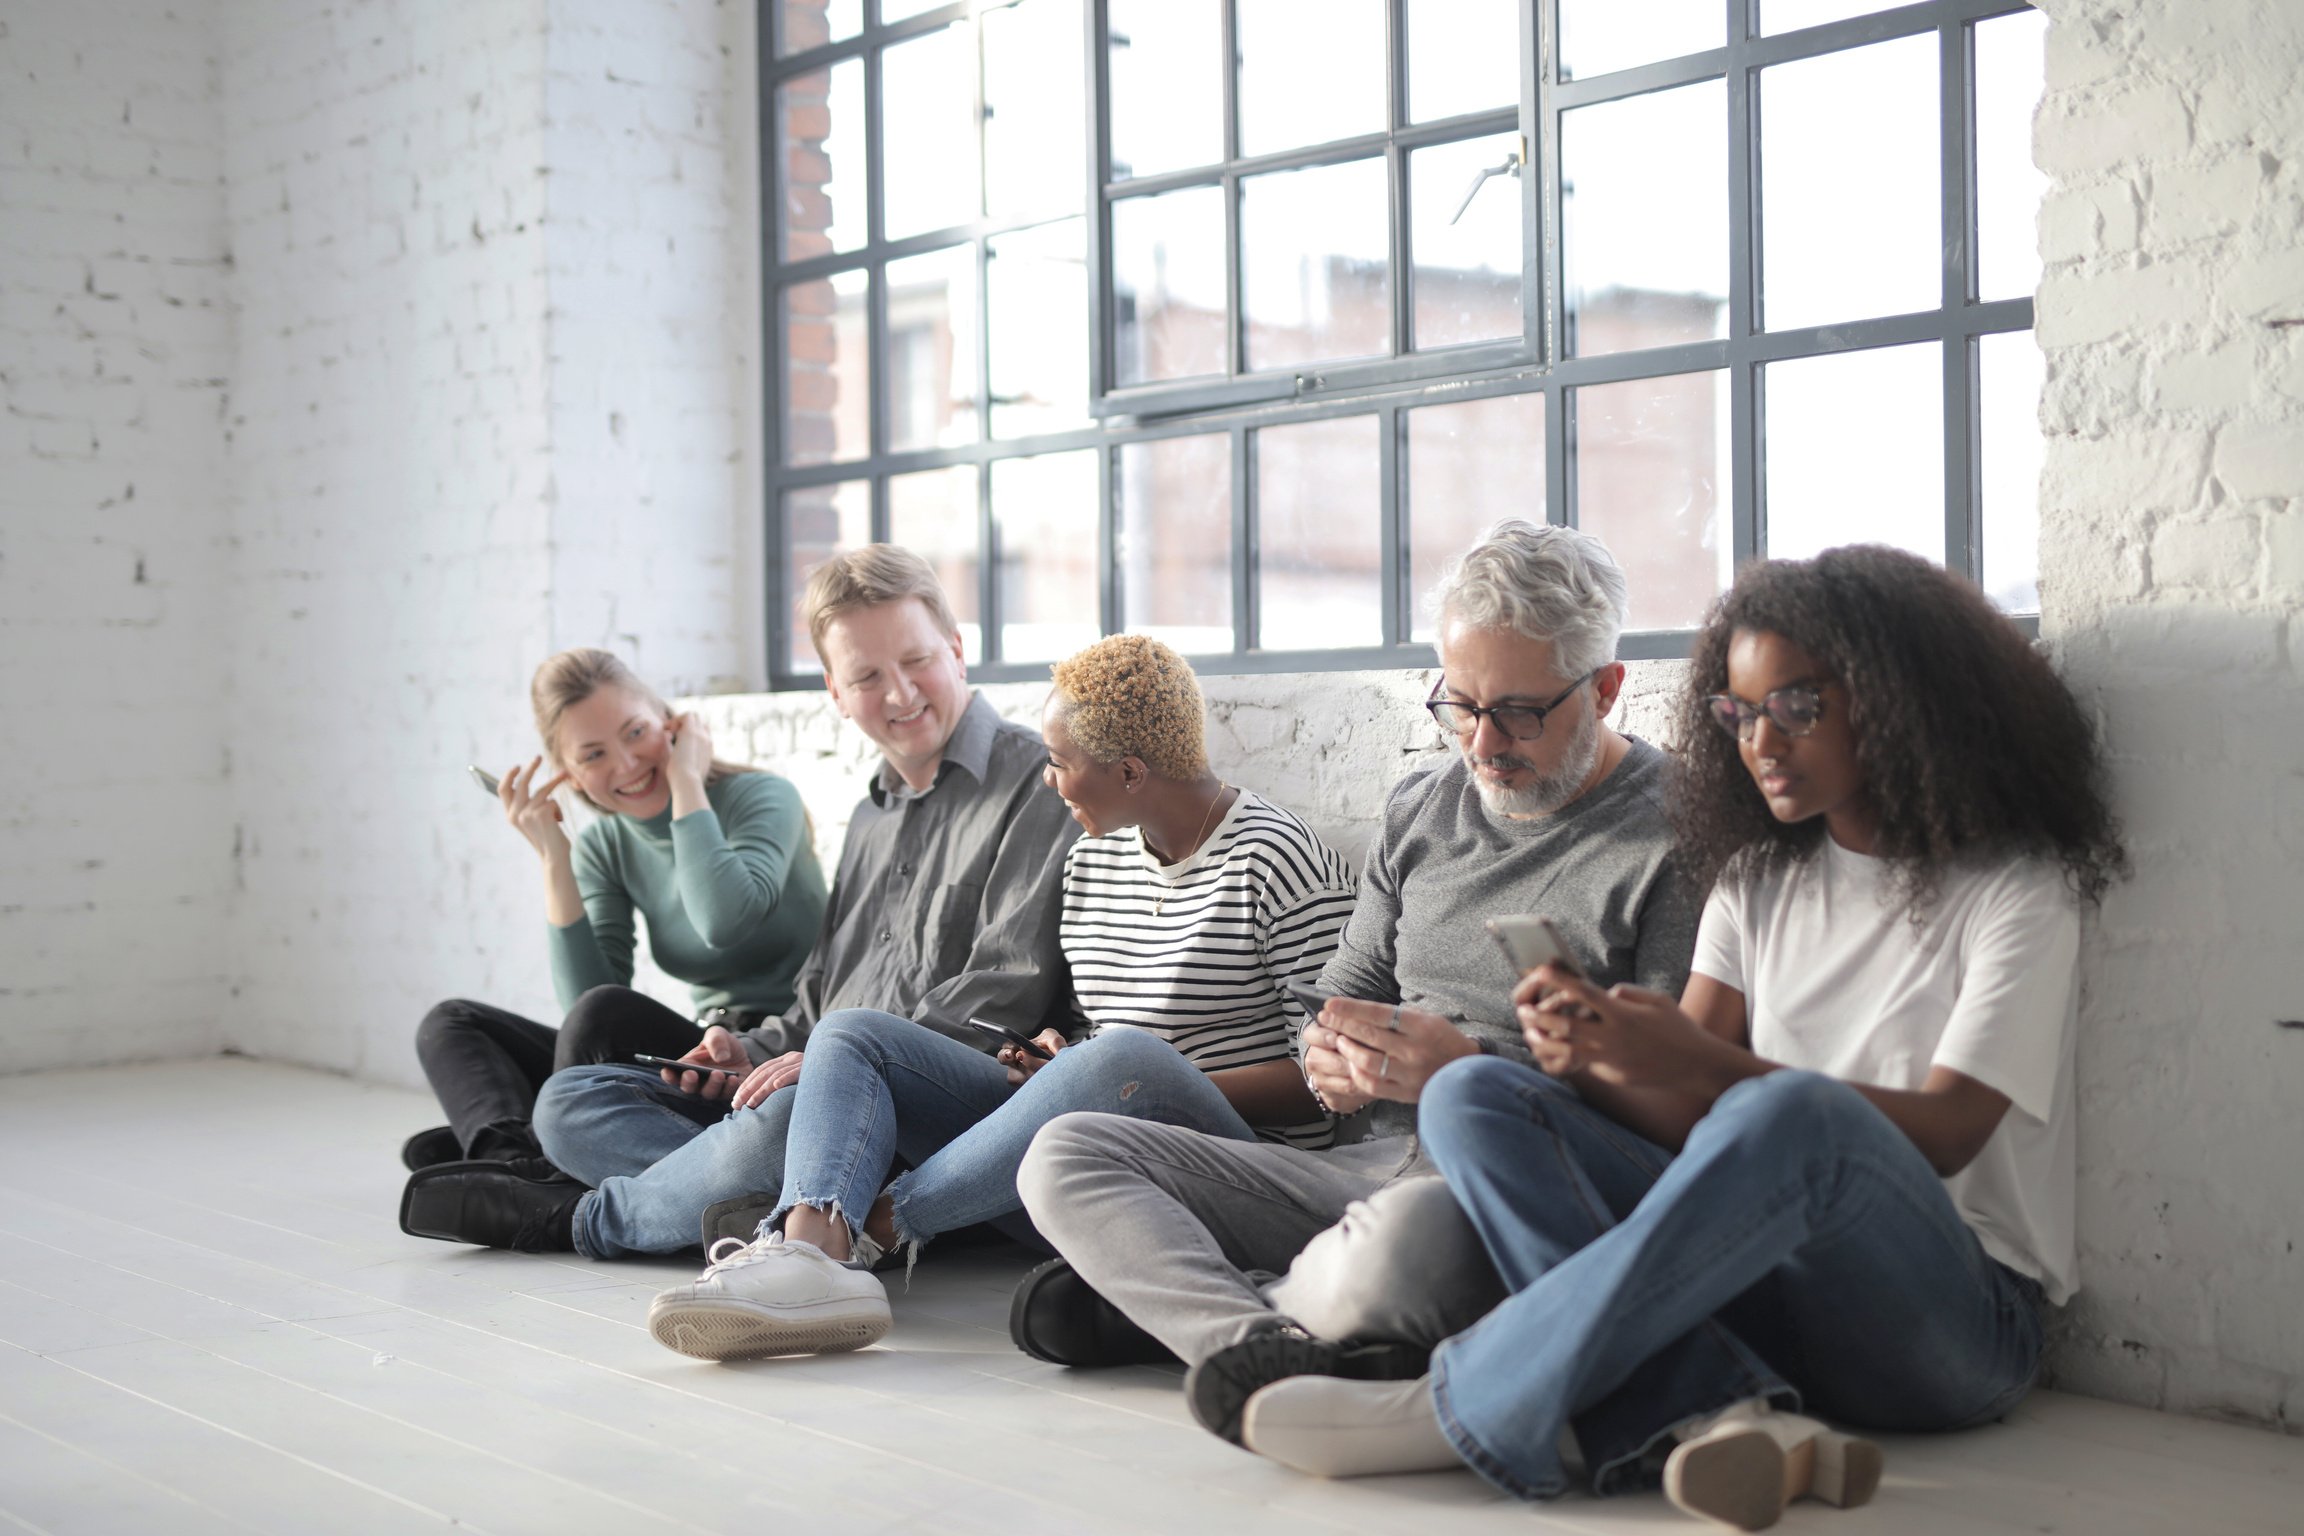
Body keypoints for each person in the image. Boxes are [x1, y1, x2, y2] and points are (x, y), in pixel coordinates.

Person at [1229, 547, 2128, 1534]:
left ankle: (1469, 1402)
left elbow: (1951, 1130)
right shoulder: (1757, 876)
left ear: (1898, 701)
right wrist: (1598, 1060)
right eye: (1739, 714)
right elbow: (1687, 1124)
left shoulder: (2013, 887)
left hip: (1947, 1325)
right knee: (1476, 1095)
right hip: (1762, 1301)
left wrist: (1703, 1062)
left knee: (1794, 1109)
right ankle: (1708, 1414)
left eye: (1796, 707)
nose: (1760, 744)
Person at [1013, 521, 1700, 1445]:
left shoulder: (1673, 835)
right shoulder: (1426, 804)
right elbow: (1338, 992)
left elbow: (1677, 1112)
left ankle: (1201, 1306)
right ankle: (1269, 1345)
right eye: (1458, 705)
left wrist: (1473, 1073)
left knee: (1403, 1257)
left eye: (1520, 713)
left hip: (1510, 1194)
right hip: (1363, 1171)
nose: (1483, 744)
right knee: (1064, 1153)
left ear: (1608, 689)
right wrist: (1329, 1057)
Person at [644, 634, 1359, 1361]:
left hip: (1227, 1170)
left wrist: (1124, 1080)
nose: (1049, 782)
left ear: (1131, 772)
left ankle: (870, 1235)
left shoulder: (1279, 861)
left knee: (1121, 1060)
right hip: (1084, 1161)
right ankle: (806, 1257)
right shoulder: (1092, 861)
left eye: (1059, 763)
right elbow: (1100, 1030)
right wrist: (1060, 1062)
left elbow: (1326, 1086)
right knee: (853, 1034)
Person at [402, 544, 1081, 1253]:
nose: (901, 694)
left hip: (935, 1105)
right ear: (836, 694)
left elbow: (1002, 996)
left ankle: (582, 1218)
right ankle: (792, 1203)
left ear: (957, 650)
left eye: (916, 662)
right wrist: (748, 1050)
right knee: (570, 1102)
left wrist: (822, 1063)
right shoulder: (872, 817)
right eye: (868, 677)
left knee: (787, 1123)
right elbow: (818, 999)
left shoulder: (1037, 780)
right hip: (813, 1089)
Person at [398, 648, 826, 1198]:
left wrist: (688, 781)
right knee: (452, 1022)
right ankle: (509, 1158)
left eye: (636, 732)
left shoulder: (762, 797)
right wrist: (556, 858)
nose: (625, 765)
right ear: (569, 776)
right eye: (594, 754)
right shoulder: (605, 844)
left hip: (775, 1053)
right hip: (703, 1053)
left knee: (605, 1015)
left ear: (671, 725)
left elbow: (724, 919)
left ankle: (532, 1159)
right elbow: (585, 1000)